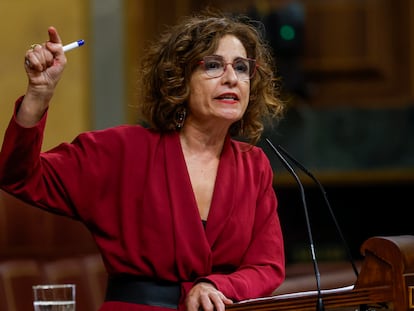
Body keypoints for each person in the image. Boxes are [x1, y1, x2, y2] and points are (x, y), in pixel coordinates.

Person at [0, 9, 285, 311]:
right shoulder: (121, 151)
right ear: (180, 79)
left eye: (242, 68)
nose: (231, 78)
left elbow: (268, 265)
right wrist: (38, 95)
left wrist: (216, 285)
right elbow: (18, 175)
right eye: (213, 65)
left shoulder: (254, 166)